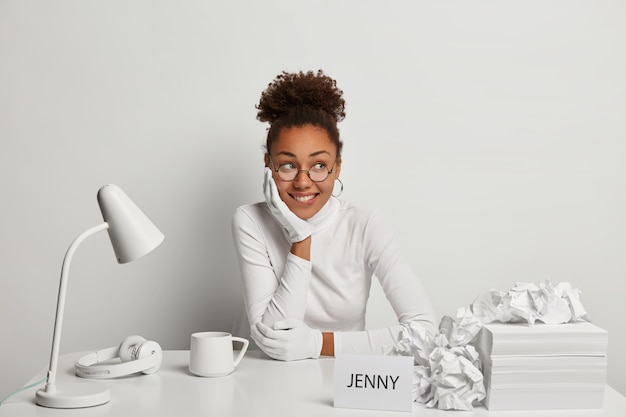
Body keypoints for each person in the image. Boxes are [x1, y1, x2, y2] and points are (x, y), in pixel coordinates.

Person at [231, 70, 436, 361]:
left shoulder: (365, 224)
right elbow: (271, 339)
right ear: (268, 164)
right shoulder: (249, 221)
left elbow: (424, 333)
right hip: (265, 378)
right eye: (288, 165)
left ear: (337, 166)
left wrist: (317, 344)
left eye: (318, 165)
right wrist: (300, 238)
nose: (303, 182)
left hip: (342, 380)